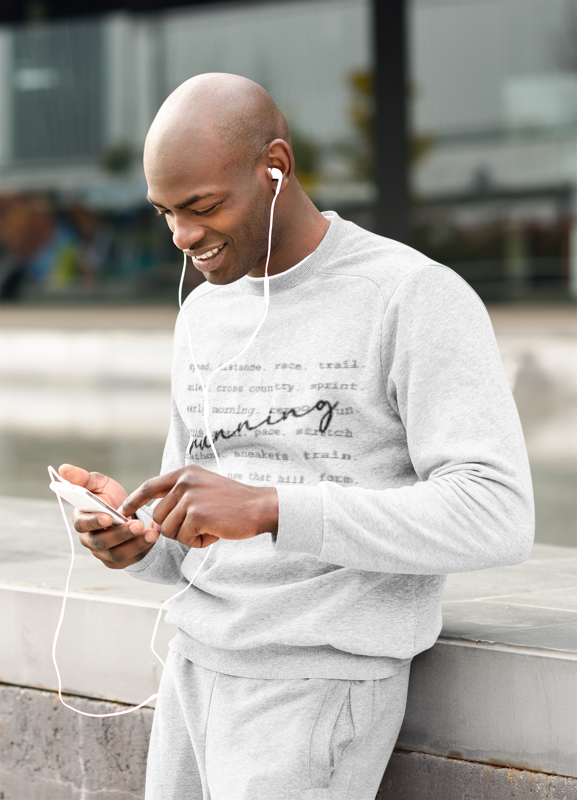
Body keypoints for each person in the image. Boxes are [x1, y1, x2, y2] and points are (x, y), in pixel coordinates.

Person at [61, 73, 534, 800]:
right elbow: (200, 540)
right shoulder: (204, 314)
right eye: (164, 213)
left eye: (203, 206)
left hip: (316, 688)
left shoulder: (412, 296)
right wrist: (137, 539)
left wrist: (275, 506)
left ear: (274, 167)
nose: (183, 237)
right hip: (192, 671)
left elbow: (496, 514)